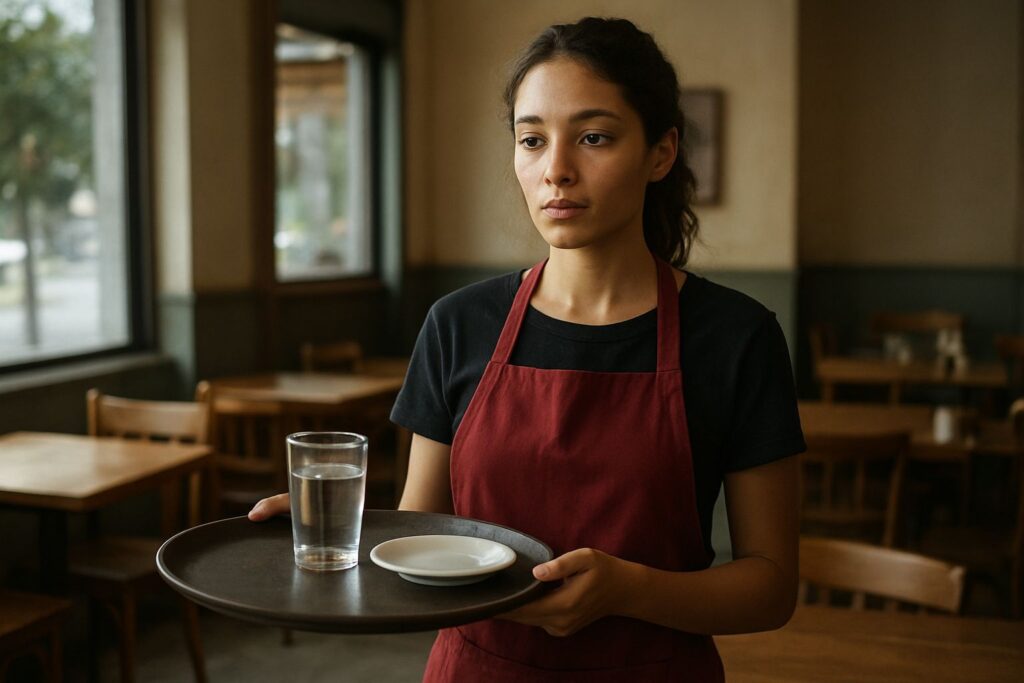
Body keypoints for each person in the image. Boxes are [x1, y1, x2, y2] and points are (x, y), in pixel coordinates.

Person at [250, 16, 805, 682]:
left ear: (661, 152)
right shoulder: (459, 323)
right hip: (478, 668)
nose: (557, 170)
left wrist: (629, 589)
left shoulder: (737, 337)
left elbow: (771, 586)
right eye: (532, 140)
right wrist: (342, 532)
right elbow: (423, 527)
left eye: (593, 137)